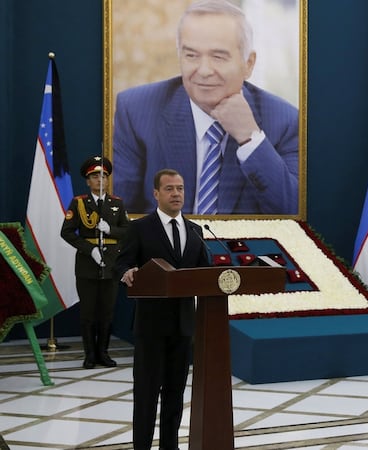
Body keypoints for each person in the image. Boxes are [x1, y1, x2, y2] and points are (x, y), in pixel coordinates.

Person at [113, 0, 299, 215]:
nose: (203, 70)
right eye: (191, 55)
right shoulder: (136, 111)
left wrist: (250, 138)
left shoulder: (285, 121)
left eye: (218, 57)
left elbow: (293, 213)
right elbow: (117, 214)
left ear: (248, 64)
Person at [117, 169, 209, 450]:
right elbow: (121, 263)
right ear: (155, 194)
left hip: (183, 326)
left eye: (180, 188)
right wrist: (127, 271)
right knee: (146, 393)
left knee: (175, 392)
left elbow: (204, 273)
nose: (176, 194)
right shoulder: (140, 228)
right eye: (169, 189)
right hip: (151, 326)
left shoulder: (195, 231)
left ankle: (170, 446)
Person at [61, 156, 130, 369]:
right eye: (94, 176)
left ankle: (104, 353)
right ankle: (90, 355)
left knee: (107, 312)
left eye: (103, 176)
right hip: (87, 265)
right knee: (88, 312)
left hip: (110, 265)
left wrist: (111, 230)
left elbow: (128, 232)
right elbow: (66, 232)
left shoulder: (116, 204)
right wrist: (89, 249)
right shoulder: (79, 203)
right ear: (88, 181)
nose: (100, 180)